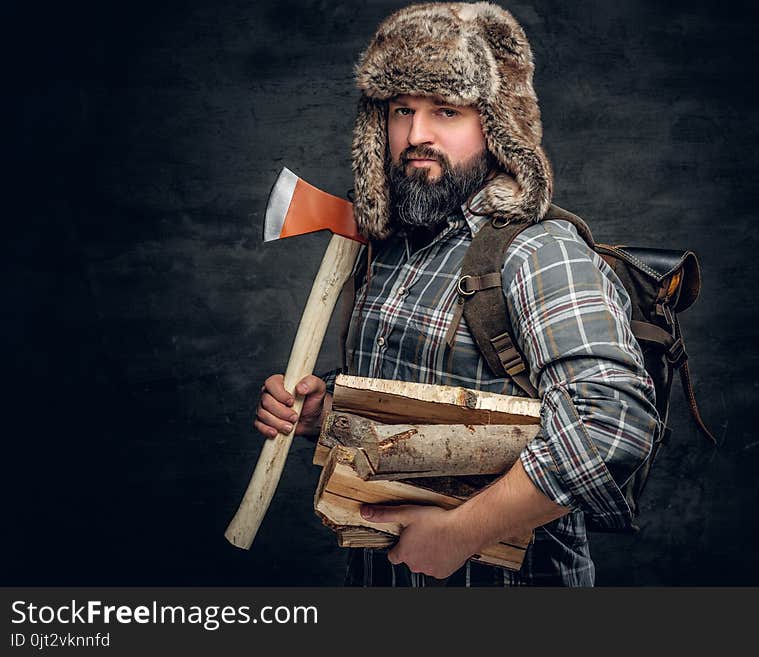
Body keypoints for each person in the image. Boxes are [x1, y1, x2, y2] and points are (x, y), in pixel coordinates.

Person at [254, 2, 659, 586]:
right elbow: (433, 410)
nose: (417, 136)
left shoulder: (539, 251)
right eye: (401, 111)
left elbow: (611, 424)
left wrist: (461, 533)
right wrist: (329, 414)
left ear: (496, 127)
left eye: (446, 110)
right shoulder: (389, 249)